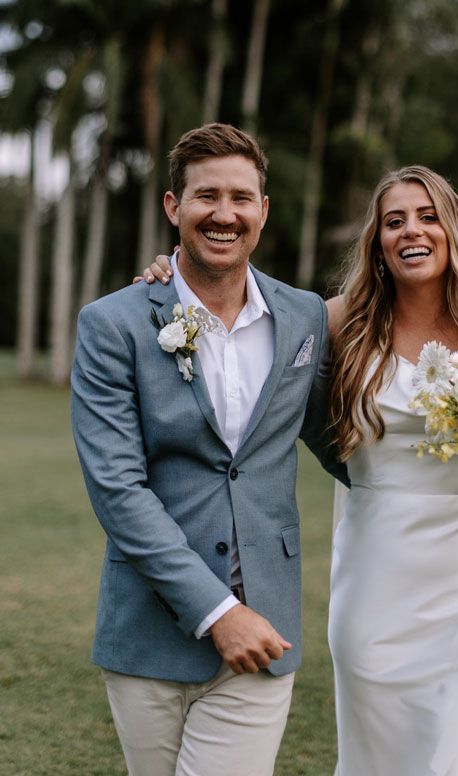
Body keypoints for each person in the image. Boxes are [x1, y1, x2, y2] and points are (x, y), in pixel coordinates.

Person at [143, 163, 458, 776]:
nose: (411, 232)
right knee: (385, 751)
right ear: (378, 241)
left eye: (427, 217)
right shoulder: (339, 324)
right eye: (394, 221)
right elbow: (242, 309)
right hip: (379, 573)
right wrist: (171, 274)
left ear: (455, 229)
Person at [71, 122, 348, 776]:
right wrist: (216, 611)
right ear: (174, 207)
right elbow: (117, 489)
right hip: (147, 628)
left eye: (241, 198)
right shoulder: (113, 323)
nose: (224, 214)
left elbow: (334, 439)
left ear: (263, 210)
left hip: (264, 628)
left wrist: (456, 471)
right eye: (205, 196)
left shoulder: (304, 316)